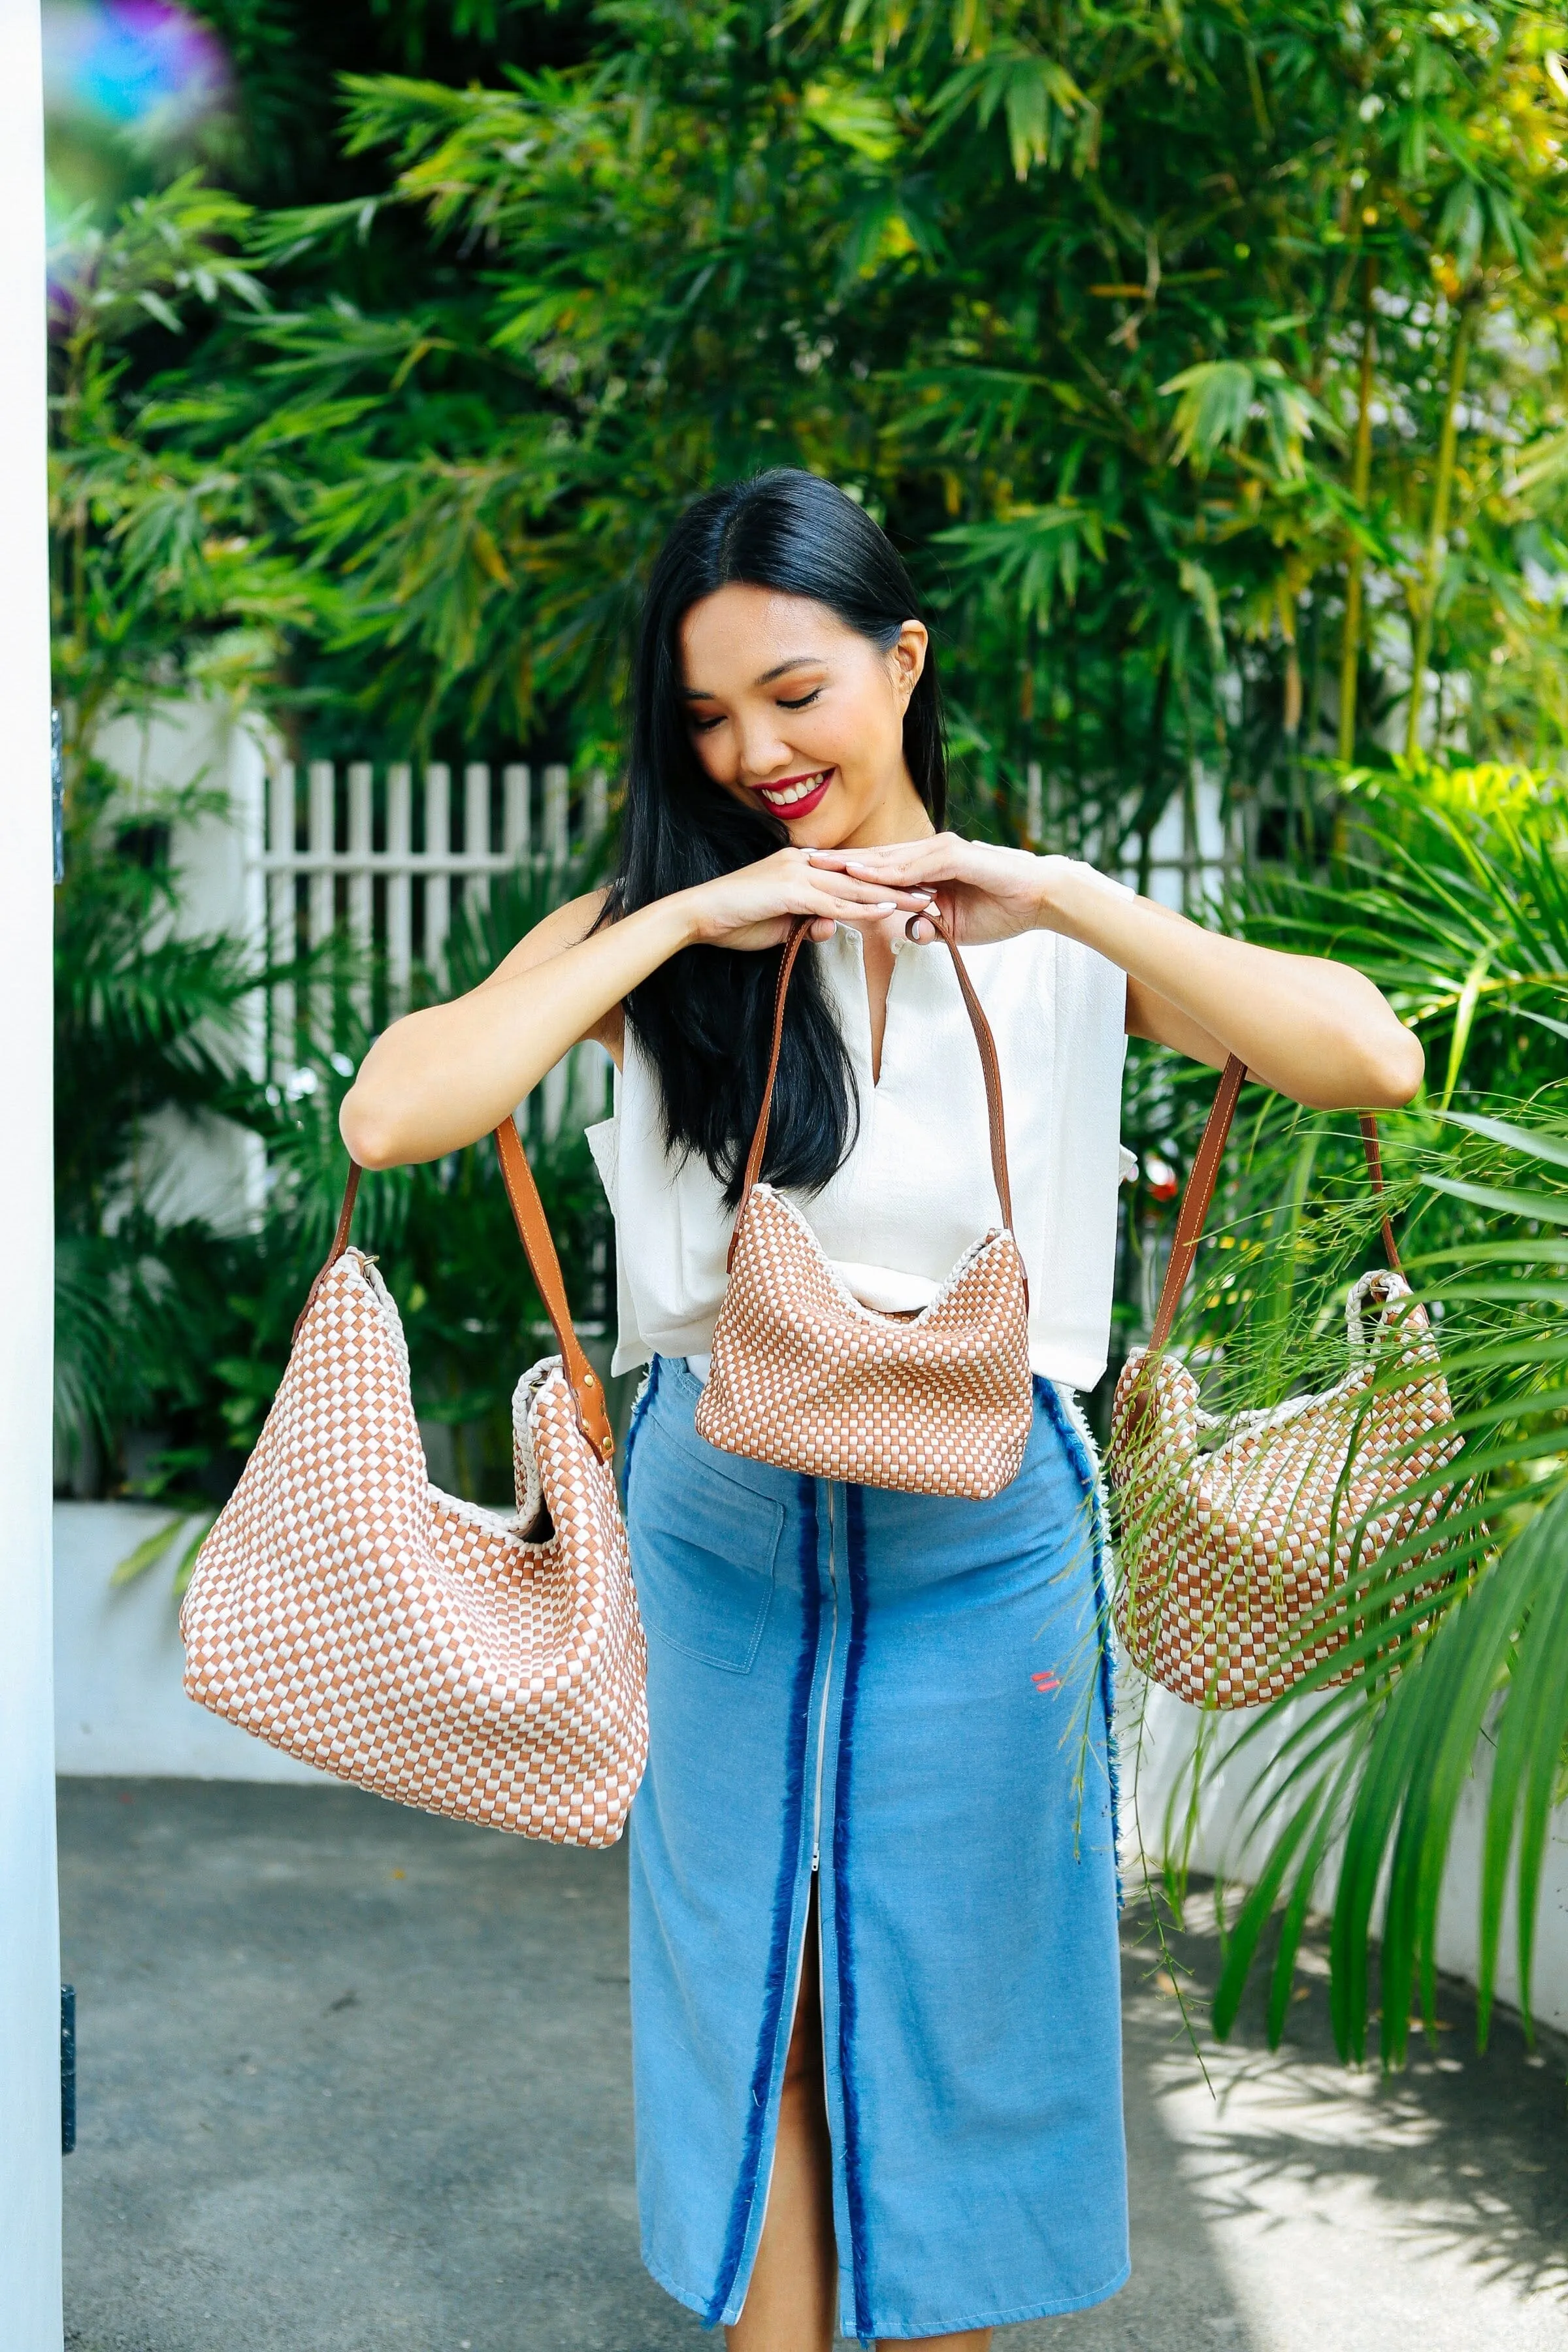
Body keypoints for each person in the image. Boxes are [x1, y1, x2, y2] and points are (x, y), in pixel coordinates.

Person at [340, 469, 1423, 2351]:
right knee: (753, 2008)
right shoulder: (660, 936)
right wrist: (682, 926)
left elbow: (1368, 1057)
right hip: (718, 1538)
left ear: (905, 661)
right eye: (705, 718)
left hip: (988, 1548)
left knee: (951, 2039)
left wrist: (1061, 894)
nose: (752, 748)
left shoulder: (1054, 944)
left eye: (795, 691)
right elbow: (393, 1113)